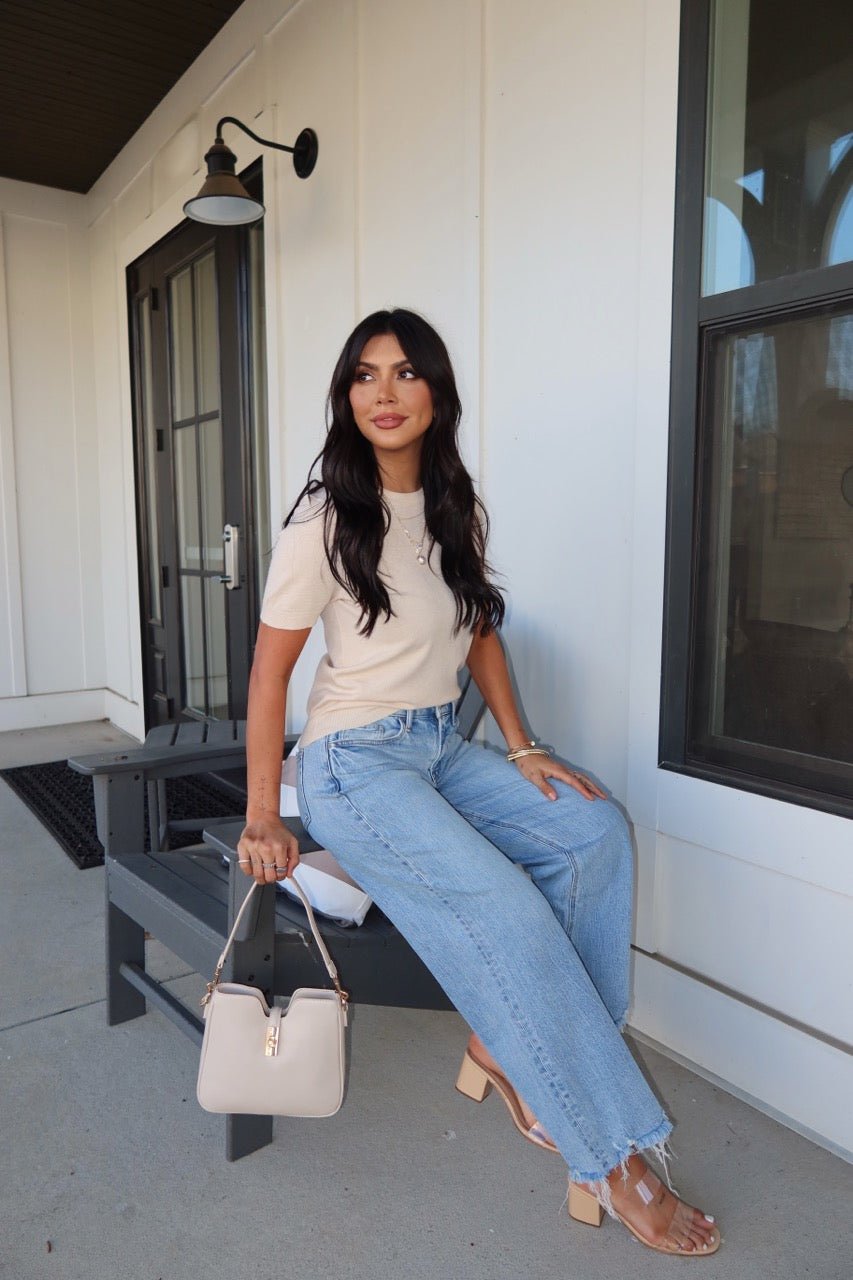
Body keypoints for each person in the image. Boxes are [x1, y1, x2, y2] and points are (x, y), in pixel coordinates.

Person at [238, 308, 721, 1257]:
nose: (384, 392)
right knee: (507, 914)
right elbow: (268, 675)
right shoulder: (324, 520)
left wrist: (524, 742)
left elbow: (481, 627)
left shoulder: (455, 507)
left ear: (435, 394)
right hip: (352, 762)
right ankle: (609, 1154)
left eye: (406, 373)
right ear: (346, 396)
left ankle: (509, 1047)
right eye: (365, 375)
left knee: (593, 834)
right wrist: (264, 811)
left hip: (436, 751)